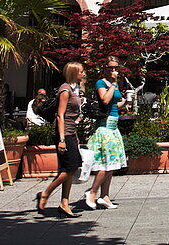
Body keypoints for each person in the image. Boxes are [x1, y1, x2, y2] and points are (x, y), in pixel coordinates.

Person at [36, 64, 84, 218]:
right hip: (64, 133)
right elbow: (59, 115)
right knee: (71, 167)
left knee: (68, 169)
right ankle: (45, 193)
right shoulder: (65, 90)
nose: (84, 73)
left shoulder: (72, 88)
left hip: (71, 132)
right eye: (81, 71)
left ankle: (64, 203)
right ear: (73, 73)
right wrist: (62, 139)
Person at [86, 57, 128, 210]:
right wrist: (115, 84)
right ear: (104, 69)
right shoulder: (101, 83)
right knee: (105, 164)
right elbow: (104, 100)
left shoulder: (113, 85)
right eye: (110, 68)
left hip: (113, 126)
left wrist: (125, 101)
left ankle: (105, 196)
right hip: (104, 127)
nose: (113, 71)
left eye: (116, 67)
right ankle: (92, 192)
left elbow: (114, 103)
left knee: (113, 163)